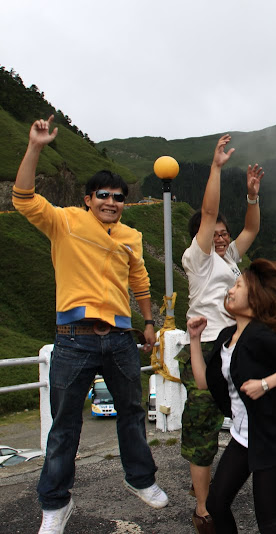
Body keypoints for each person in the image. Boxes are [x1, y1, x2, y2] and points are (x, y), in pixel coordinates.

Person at [12, 116, 167, 534]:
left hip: (119, 339)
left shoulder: (131, 237)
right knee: (64, 426)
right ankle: (55, 504)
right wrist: (35, 147)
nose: (111, 202)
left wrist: (148, 321)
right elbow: (23, 198)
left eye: (118, 197)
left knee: (132, 412)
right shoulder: (64, 221)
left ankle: (140, 478)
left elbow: (140, 282)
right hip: (73, 339)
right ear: (88, 199)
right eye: (103, 195)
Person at [187, 258, 276, 534]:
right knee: (216, 504)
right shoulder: (227, 336)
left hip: (267, 436)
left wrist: (265, 384)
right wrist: (194, 339)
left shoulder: (260, 336)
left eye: (238, 285)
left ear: (254, 298)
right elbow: (203, 382)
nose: (230, 290)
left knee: (271, 526)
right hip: (242, 436)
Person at [178, 134, 263, 533]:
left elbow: (251, 228)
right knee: (203, 428)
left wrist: (252, 196)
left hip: (233, 345)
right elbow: (209, 211)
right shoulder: (197, 259)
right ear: (201, 235)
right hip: (206, 345)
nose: (222, 236)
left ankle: (223, 489)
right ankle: (204, 508)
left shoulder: (228, 258)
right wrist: (215, 168)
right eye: (214, 231)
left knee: (242, 417)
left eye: (224, 232)